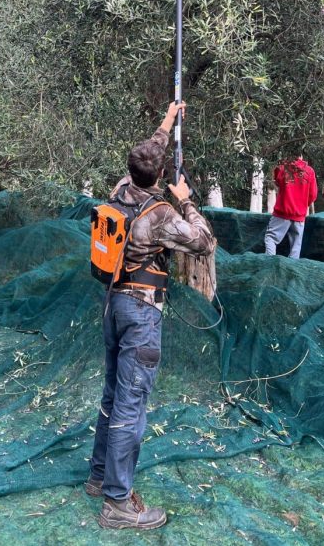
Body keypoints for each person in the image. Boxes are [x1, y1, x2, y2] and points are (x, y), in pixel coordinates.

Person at [87, 102, 216, 530]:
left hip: (113, 305)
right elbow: (202, 243)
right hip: (141, 312)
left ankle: (98, 475)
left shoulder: (120, 189)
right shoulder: (159, 214)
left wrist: (168, 119)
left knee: (112, 394)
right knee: (131, 404)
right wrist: (186, 202)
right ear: (161, 177)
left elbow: (150, 151)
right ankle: (117, 503)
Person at [263, 155, 317, 259]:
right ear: (301, 155)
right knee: (295, 248)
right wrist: (303, 205)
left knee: (271, 238)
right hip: (299, 215)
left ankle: (269, 265)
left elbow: (277, 181)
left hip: (282, 213)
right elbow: (313, 195)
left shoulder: (283, 167)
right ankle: (291, 271)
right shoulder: (310, 171)